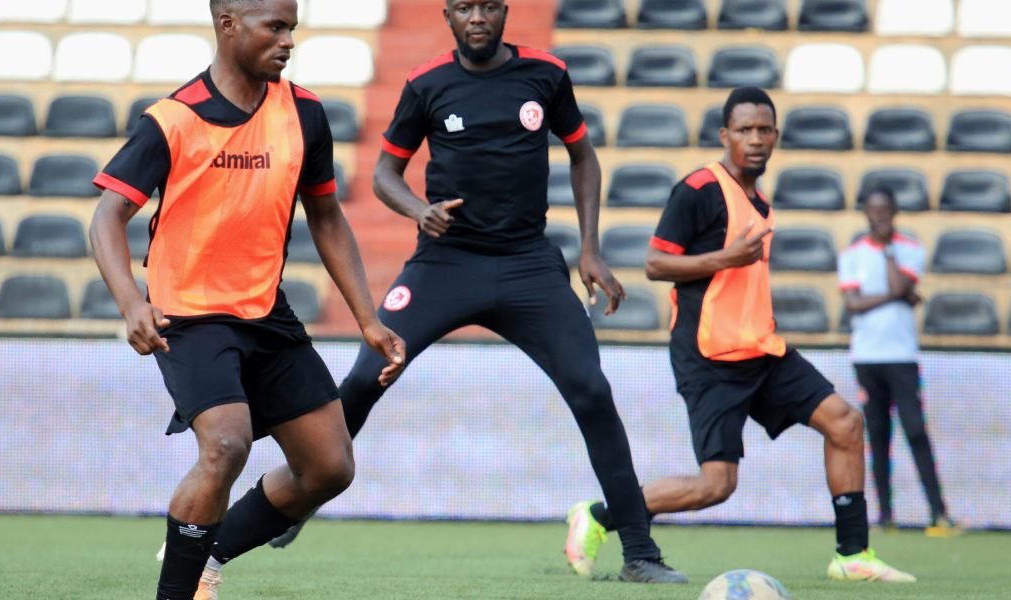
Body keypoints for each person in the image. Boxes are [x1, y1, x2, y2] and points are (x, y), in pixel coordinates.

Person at [226, 0, 688, 585]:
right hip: (444, 264)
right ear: (447, 16)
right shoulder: (426, 85)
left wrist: (591, 249)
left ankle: (640, 555)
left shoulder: (546, 74)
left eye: (488, 7)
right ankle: (298, 497)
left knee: (593, 392)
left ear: (504, 13)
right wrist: (420, 211)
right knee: (368, 375)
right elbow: (384, 175)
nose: (478, 17)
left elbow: (583, 156)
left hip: (528, 267)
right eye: (465, 7)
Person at [88, 0, 405, 598]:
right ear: (228, 24)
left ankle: (208, 555)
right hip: (188, 313)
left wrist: (368, 318)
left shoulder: (306, 112)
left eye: (292, 28)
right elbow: (108, 216)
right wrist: (132, 302)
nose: (288, 41)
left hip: (266, 312)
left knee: (330, 467)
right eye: (275, 27)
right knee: (227, 445)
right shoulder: (173, 118)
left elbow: (328, 217)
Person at [564, 87, 917, 583]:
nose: (756, 139)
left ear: (775, 136)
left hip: (761, 348)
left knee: (845, 423)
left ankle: (852, 555)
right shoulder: (700, 189)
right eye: (745, 130)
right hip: (709, 355)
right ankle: (599, 517)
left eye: (764, 129)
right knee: (716, 485)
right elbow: (655, 263)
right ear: (724, 135)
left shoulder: (759, 202)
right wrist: (725, 259)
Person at [838, 188, 960, 537]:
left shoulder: (909, 249)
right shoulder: (852, 254)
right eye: (873, 210)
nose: (879, 217)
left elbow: (891, 285)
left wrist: (890, 256)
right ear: (865, 212)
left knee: (916, 431)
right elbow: (853, 304)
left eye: (885, 211)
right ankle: (885, 515)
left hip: (902, 355)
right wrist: (900, 296)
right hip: (867, 356)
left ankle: (938, 513)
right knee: (877, 436)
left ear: (893, 212)